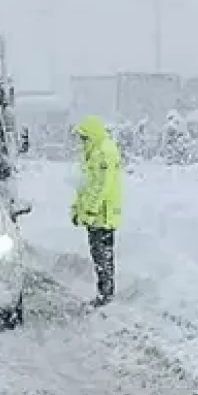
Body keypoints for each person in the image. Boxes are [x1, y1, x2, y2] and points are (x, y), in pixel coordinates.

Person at [70, 115, 123, 306]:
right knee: (99, 255)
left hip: (103, 215)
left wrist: (90, 211)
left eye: (84, 138)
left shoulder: (103, 153)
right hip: (96, 215)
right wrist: (77, 209)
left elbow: (100, 186)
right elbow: (84, 185)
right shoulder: (94, 152)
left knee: (103, 256)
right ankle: (104, 293)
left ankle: (106, 295)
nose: (81, 142)